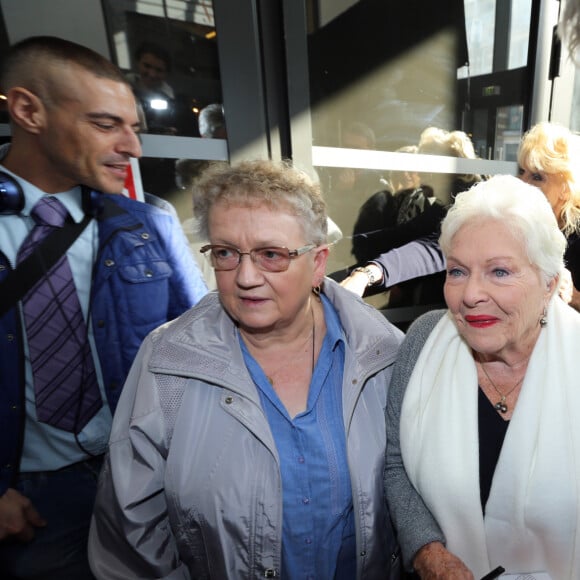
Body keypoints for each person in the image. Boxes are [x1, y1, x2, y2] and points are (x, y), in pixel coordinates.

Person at [88, 158, 405, 579]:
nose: (246, 277)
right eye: (225, 253)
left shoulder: (382, 355)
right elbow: (130, 534)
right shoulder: (168, 361)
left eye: (271, 255)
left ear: (317, 263)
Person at [0, 35, 207, 579]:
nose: (133, 147)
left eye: (133, 126)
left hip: (144, 481)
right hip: (29, 501)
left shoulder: (149, 224)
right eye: (104, 124)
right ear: (28, 111)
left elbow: (203, 349)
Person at [384, 174, 580, 579]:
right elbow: (396, 465)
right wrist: (429, 552)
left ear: (550, 284)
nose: (470, 294)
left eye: (500, 272)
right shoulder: (423, 340)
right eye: (457, 271)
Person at [517, 121, 580, 311]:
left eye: (537, 177)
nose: (522, 182)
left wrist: (573, 295)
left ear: (565, 189)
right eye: (521, 172)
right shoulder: (520, 222)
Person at [126, 41, 177, 135]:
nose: (152, 74)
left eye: (159, 70)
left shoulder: (171, 100)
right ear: (137, 63)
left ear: (166, 73)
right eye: (147, 66)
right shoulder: (122, 87)